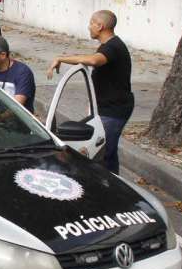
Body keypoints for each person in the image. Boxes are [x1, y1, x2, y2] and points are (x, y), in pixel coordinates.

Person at [47, 10, 134, 175]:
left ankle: (108, 186)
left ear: (100, 26)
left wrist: (61, 58)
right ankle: (114, 180)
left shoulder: (113, 47)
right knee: (108, 151)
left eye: (91, 23)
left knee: (103, 152)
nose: (89, 27)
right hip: (106, 107)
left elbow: (93, 60)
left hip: (114, 110)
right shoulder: (108, 46)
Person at [0, 34, 36, 113]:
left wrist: (0, 117)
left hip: (17, 122)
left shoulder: (23, 73)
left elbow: (17, 107)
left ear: (3, 55)